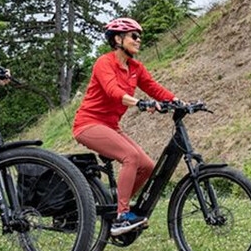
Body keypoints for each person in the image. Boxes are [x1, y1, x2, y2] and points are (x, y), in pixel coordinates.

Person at [72, 17, 177, 236]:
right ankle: (121, 217)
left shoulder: (135, 68)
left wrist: (179, 102)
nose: (139, 40)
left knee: (147, 166)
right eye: (134, 36)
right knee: (130, 156)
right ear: (118, 39)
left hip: (110, 126)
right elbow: (113, 91)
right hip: (88, 124)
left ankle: (119, 207)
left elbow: (154, 88)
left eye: (140, 36)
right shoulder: (105, 62)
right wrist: (139, 103)